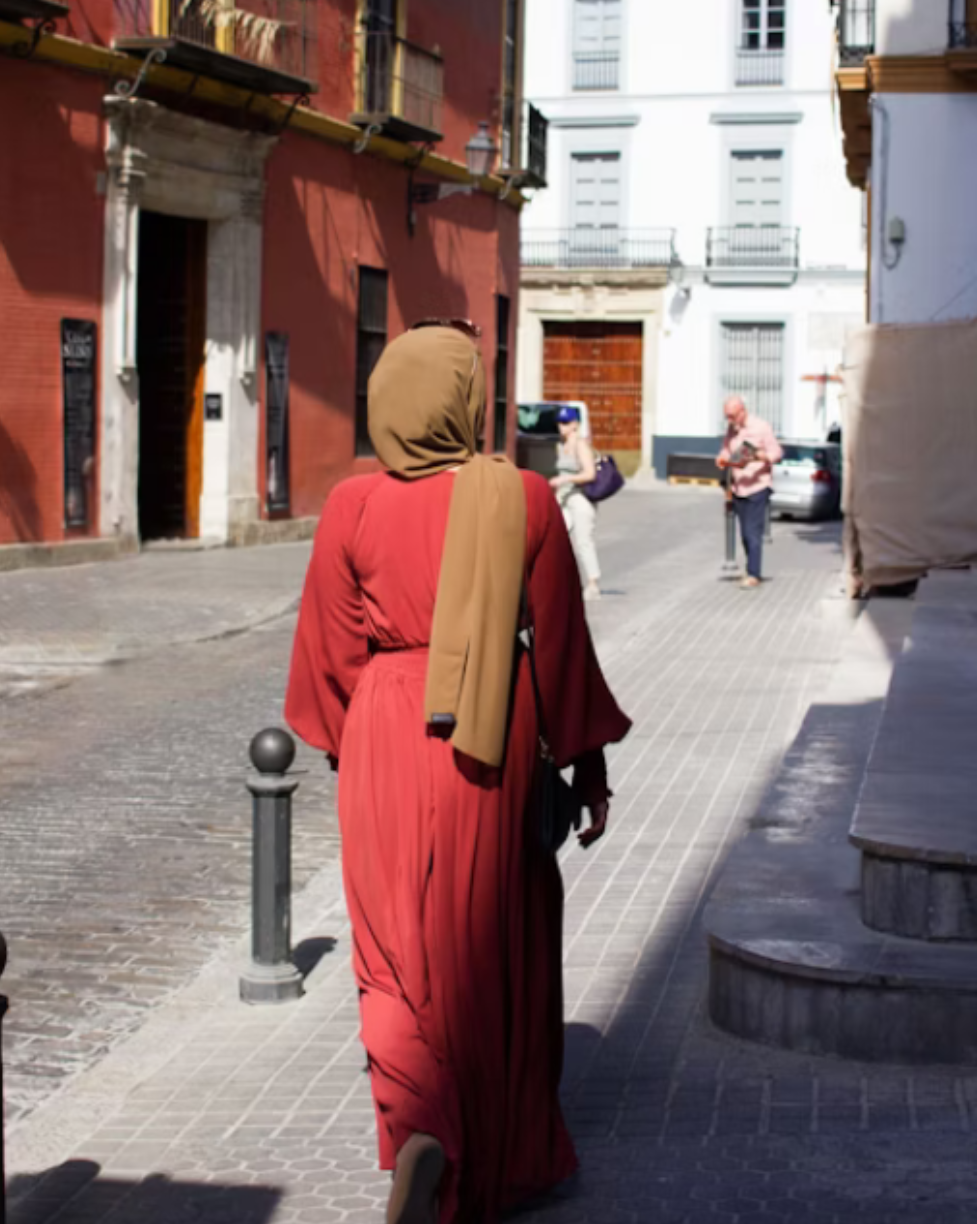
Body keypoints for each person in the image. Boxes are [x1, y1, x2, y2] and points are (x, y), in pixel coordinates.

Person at [285, 325, 632, 1224]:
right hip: (491, 731)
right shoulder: (522, 497)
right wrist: (589, 770)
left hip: (383, 728)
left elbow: (328, 655)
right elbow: (560, 648)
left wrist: (356, 754)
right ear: (468, 403)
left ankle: (423, 1131)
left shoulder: (351, 505)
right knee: (487, 940)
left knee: (393, 951)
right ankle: (500, 1149)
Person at [714, 395, 782, 588]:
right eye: (727, 416)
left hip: (757, 486)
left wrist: (761, 456)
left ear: (742, 411)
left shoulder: (761, 427)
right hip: (738, 487)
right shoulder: (731, 429)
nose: (730, 420)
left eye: (732, 416)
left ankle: (754, 574)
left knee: (753, 532)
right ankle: (750, 567)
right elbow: (727, 450)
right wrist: (721, 458)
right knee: (745, 533)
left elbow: (777, 453)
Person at [549, 405, 603, 599]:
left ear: (575, 424)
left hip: (581, 499)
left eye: (566, 422)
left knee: (583, 541)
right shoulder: (561, 445)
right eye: (559, 422)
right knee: (556, 540)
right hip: (563, 500)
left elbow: (590, 474)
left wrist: (565, 479)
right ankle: (562, 581)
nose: (562, 426)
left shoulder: (581, 445)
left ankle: (593, 584)